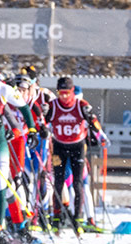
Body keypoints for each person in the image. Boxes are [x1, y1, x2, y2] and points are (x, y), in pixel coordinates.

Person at [40, 75, 104, 231]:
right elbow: (42, 123)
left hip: (77, 148)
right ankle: (56, 218)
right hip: (59, 148)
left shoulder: (81, 105)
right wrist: (42, 123)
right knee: (58, 182)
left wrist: (92, 121)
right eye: (60, 93)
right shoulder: (53, 106)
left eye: (67, 93)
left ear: (72, 91)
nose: (64, 96)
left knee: (77, 183)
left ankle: (78, 219)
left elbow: (95, 124)